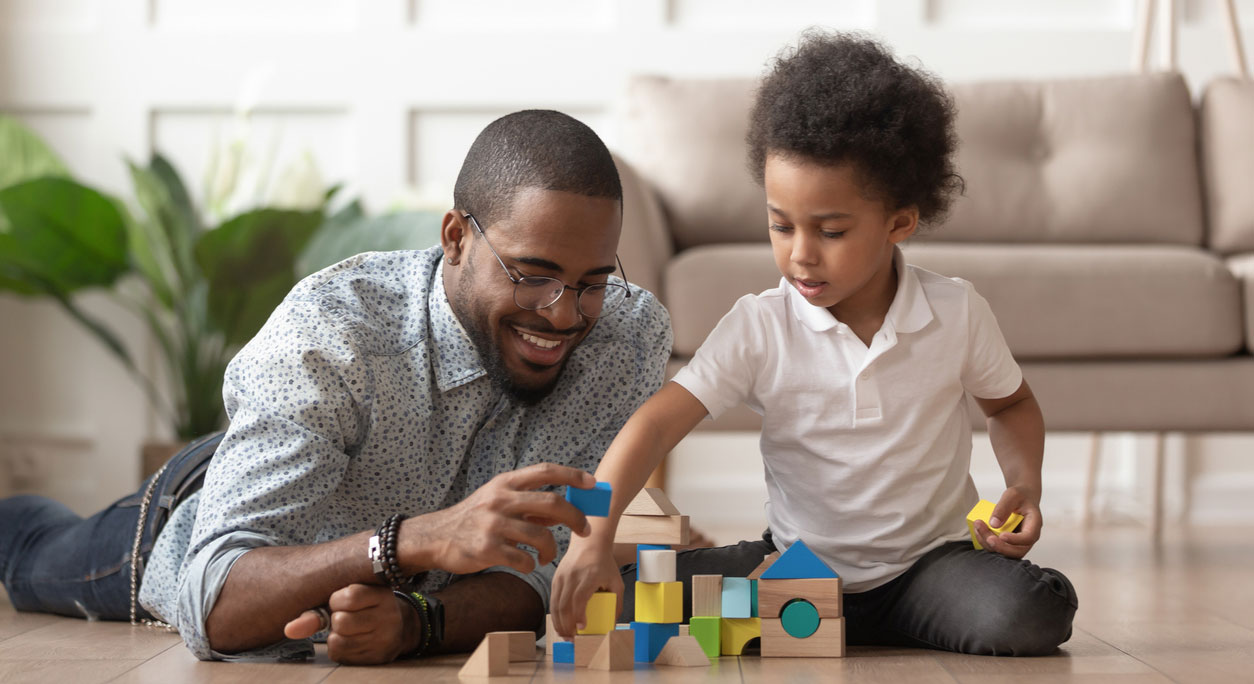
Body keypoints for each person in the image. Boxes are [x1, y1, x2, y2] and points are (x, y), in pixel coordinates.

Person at [0, 109, 673, 665]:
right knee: (27, 550)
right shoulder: (333, 334)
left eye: (591, 282)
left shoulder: (626, 340)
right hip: (199, 516)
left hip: (341, 515)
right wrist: (408, 542)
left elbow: (541, 569)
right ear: (456, 239)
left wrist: (418, 620)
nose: (563, 314)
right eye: (533, 273)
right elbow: (211, 603)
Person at [550, 31, 1077, 656]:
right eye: (780, 225)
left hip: (932, 570)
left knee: (1030, 614)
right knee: (631, 593)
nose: (799, 253)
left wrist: (1026, 485)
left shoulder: (955, 311)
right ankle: (807, 616)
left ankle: (823, 626)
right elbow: (654, 427)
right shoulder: (760, 324)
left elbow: (1010, 405)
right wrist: (592, 541)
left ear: (900, 222)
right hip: (797, 566)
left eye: (830, 230)